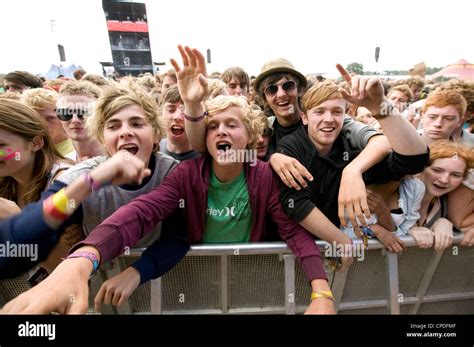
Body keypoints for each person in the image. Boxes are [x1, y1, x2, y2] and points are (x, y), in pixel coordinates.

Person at [2, 62, 332, 315]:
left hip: (249, 280)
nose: (221, 132)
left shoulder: (263, 176)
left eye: (232, 125)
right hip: (187, 284)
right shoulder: (185, 174)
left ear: (252, 135)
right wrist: (83, 259)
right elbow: (140, 213)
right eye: (213, 126)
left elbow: (293, 230)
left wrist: (322, 292)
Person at [180, 46, 393, 237]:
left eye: (288, 86)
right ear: (265, 98)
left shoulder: (329, 122)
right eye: (272, 89)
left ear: (299, 89)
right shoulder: (264, 128)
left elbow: (383, 143)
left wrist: (353, 170)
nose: (281, 94)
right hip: (276, 235)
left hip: (323, 234)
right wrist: (273, 158)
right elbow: (207, 149)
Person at [0, 86, 187, 281]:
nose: (125, 132)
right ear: (102, 139)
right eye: (113, 126)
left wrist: (137, 272)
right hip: (103, 296)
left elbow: (178, 239)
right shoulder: (78, 177)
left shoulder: (173, 173)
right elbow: (15, 253)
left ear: (156, 134)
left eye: (137, 124)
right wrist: (89, 183)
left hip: (165, 286)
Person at [276, 71, 428, 266]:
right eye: (319, 112)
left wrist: (380, 105)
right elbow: (296, 204)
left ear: (346, 115)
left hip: (339, 252)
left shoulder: (352, 148)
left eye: (336, 112)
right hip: (293, 252)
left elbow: (412, 162)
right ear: (304, 118)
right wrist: (342, 242)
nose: (329, 119)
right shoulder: (292, 145)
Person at [0, 99, 73, 277]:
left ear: (36, 143)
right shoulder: (7, 179)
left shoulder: (66, 183)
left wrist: (20, 223)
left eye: (1, 146)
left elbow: (68, 265)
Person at [409, 140, 474, 250]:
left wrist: (445, 222)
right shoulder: (399, 192)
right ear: (423, 168)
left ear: (463, 179)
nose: (444, 180)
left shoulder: (445, 203)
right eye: (437, 170)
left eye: (455, 175)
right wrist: (409, 231)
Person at [56, 81, 106, 161]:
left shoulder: (118, 160)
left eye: (84, 112)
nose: (75, 120)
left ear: (101, 116)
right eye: (65, 113)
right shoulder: (61, 165)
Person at [21, 88, 74, 156]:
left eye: (50, 118)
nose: (42, 124)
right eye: (34, 119)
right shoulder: (23, 150)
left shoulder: (76, 153)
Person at [158, 86, 199, 161]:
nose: (177, 117)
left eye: (185, 110)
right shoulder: (154, 151)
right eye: (171, 110)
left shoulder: (206, 158)